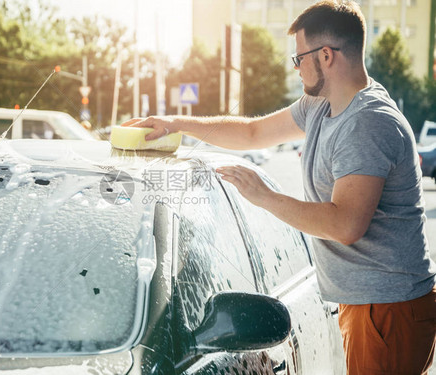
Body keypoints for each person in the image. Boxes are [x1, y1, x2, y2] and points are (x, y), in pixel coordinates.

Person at [121, 1, 436, 373]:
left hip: (387, 308)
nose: (297, 67)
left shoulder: (367, 123)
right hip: (368, 304)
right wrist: (174, 124)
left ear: (326, 56)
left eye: (298, 58)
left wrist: (264, 197)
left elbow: (345, 225)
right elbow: (254, 132)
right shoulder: (321, 105)